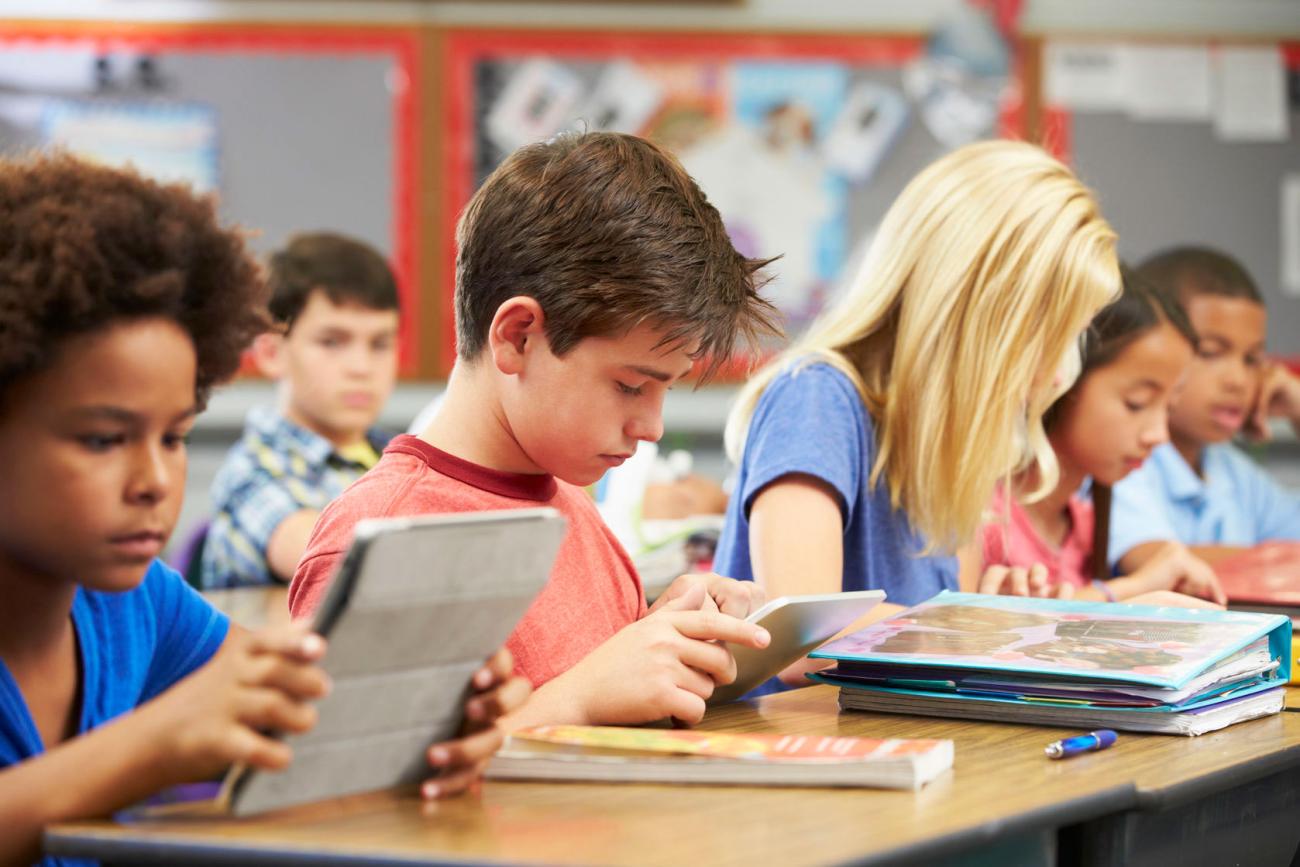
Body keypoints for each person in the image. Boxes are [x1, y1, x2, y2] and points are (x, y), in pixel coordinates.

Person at [0, 155, 526, 867]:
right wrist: (153, 743)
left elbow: (294, 701)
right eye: (102, 439)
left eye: (176, 437)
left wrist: (422, 705)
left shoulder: (132, 603)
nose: (154, 479)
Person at [289, 131, 778, 727]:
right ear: (518, 336)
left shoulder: (570, 504)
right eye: (630, 385)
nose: (652, 426)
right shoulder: (383, 538)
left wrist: (661, 637)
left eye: (665, 388)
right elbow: (345, 803)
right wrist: (579, 699)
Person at [714, 140, 1121, 690]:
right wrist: (994, 627)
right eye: (1049, 338)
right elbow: (800, 644)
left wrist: (993, 619)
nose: (1055, 377)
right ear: (978, 318)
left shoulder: (953, 448)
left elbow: (934, 646)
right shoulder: (816, 397)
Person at [977, 267, 1224, 607]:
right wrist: (1132, 589)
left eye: (1170, 407)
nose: (1158, 435)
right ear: (1062, 377)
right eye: (1136, 403)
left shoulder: (1083, 522)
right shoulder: (985, 515)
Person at [202, 232, 400, 588]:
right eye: (332, 342)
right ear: (271, 353)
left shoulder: (399, 457)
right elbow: (343, 565)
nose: (361, 367)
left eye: (380, 344)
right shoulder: (251, 474)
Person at [1109, 247, 1300, 573]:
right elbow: (1155, 562)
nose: (1238, 380)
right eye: (1211, 353)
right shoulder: (1122, 460)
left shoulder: (1233, 471)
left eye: (1252, 359)